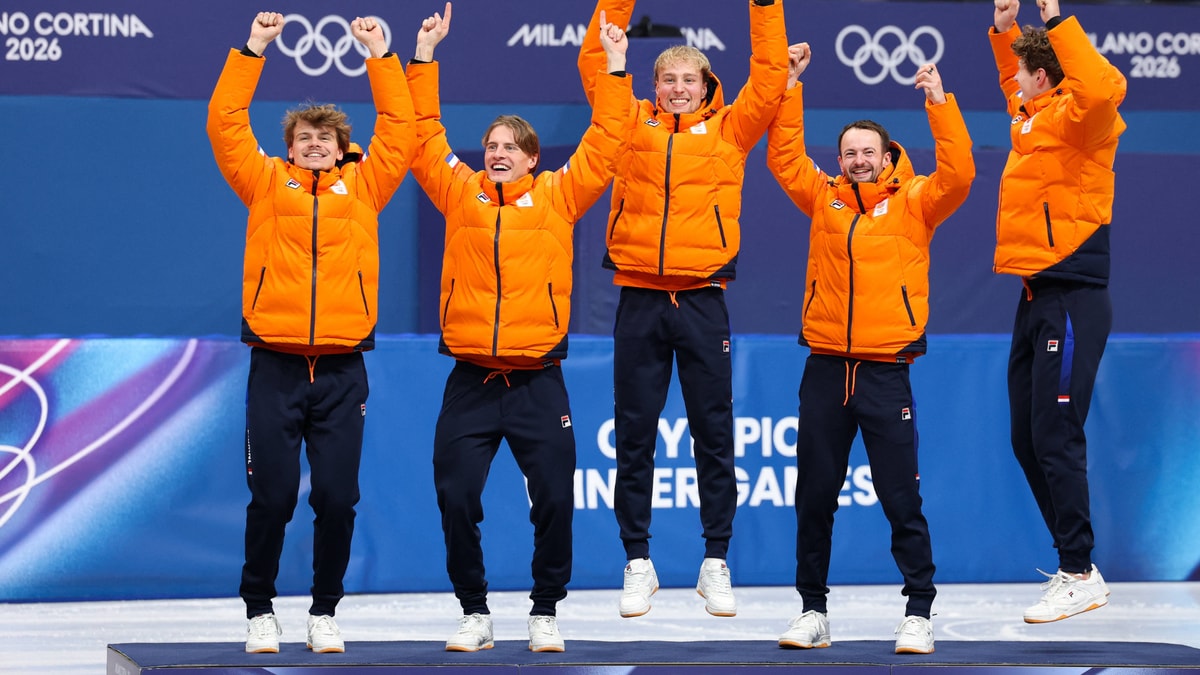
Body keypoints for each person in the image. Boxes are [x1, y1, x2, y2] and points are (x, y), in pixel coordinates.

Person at [407, 2, 632, 653]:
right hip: (472, 379)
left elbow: (608, 140)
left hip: (539, 381)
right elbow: (423, 139)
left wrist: (616, 68)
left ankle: (544, 610)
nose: (497, 153)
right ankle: (474, 610)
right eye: (491, 146)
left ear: (532, 158)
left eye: (510, 148)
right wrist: (423, 58)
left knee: (556, 499)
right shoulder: (459, 192)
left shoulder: (561, 196)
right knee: (454, 494)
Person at [206, 11, 415, 655]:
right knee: (271, 497)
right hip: (275, 364)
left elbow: (403, 132)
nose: (316, 143)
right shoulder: (266, 183)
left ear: (342, 144)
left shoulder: (366, 186)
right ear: (289, 147)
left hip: (342, 366)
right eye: (304, 136)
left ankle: (324, 611)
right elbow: (225, 124)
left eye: (326, 136)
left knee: (336, 498)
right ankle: (259, 608)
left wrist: (382, 56)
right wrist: (253, 48)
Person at [578, 0, 788, 620]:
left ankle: (715, 561)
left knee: (713, 436)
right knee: (635, 436)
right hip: (639, 296)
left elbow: (772, 74)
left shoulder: (731, 128)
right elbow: (595, 63)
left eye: (688, 80)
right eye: (667, 79)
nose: (676, 89)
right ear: (653, 85)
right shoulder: (627, 124)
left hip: (702, 299)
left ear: (706, 87)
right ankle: (637, 562)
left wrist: (766, 6)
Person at [765, 40, 975, 654]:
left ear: (888, 156)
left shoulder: (916, 201)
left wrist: (941, 103)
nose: (857, 161)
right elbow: (782, 159)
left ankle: (918, 611)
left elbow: (960, 174)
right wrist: (793, 87)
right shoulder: (823, 198)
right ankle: (811, 610)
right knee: (814, 497)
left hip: (886, 372)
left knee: (900, 496)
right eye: (849, 153)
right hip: (826, 367)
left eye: (867, 153)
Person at [988, 0, 1125, 624]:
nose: (1013, 81)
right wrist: (1004, 31)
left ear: (1043, 77)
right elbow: (1015, 81)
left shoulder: (1085, 118)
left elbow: (1098, 84)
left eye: (1021, 71)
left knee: (1056, 434)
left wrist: (1057, 19)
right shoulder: (1034, 115)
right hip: (1035, 295)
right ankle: (1078, 565)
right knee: (1027, 438)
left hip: (1072, 294)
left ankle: (1078, 569)